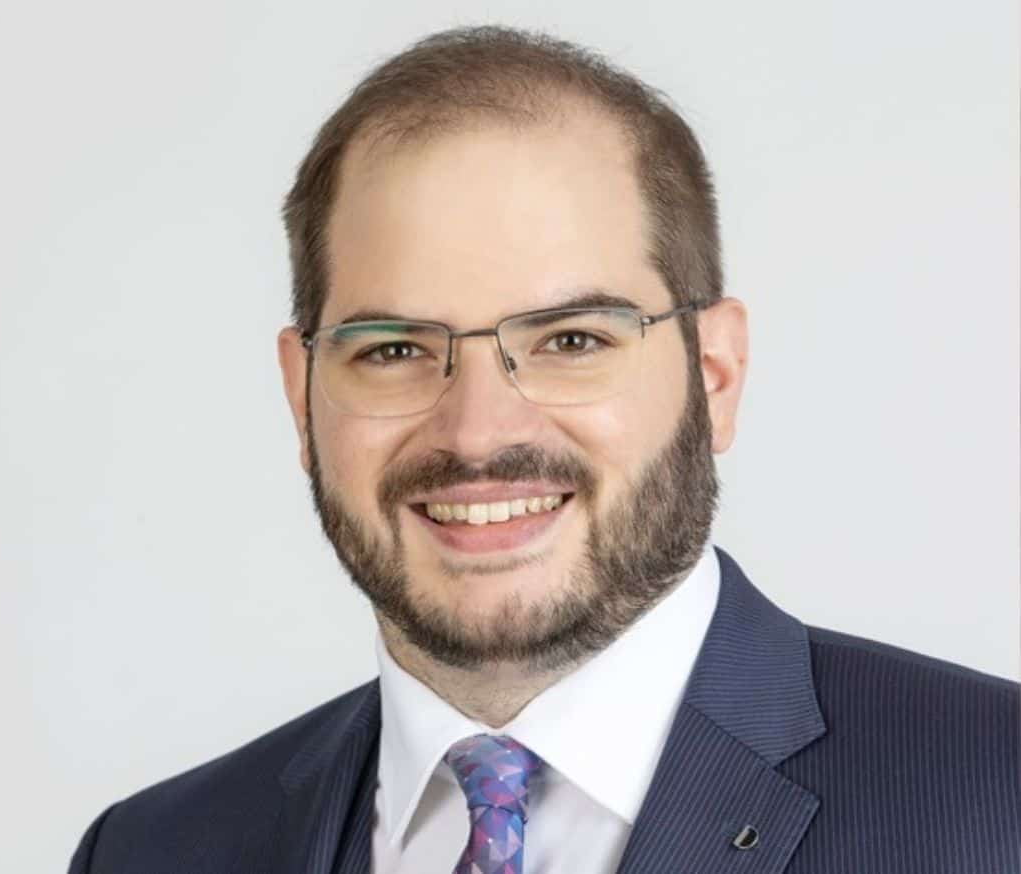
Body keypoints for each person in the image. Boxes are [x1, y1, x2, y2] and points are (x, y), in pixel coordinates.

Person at [67, 25, 1019, 874]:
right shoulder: (150, 852)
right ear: (300, 395)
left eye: (572, 340)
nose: (477, 431)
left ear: (715, 374)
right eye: (393, 350)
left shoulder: (999, 802)